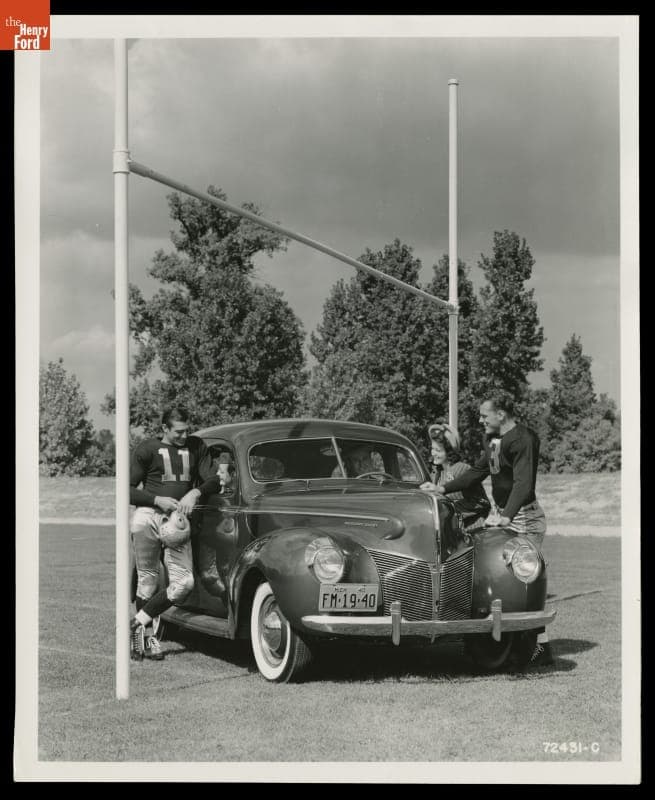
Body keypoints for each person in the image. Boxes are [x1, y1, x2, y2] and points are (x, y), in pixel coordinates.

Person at [431, 394, 553, 666]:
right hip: (505, 514)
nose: (480, 419)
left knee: (523, 582)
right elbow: (477, 471)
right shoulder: (492, 440)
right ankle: (497, 643)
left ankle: (540, 648)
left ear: (501, 414)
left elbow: (523, 483)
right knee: (496, 576)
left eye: (485, 415)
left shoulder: (524, 439)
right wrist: (442, 488)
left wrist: (506, 516)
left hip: (523, 516)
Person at [129, 406, 222, 661]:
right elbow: (126, 490)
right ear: (164, 429)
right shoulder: (147, 449)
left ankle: (137, 622)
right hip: (148, 517)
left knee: (184, 583)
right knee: (147, 580)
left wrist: (195, 492)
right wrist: (157, 499)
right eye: (178, 432)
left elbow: (214, 480)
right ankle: (145, 639)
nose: (184, 435)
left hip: (179, 522)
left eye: (186, 430)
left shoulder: (196, 446)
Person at [419, 421, 490, 535]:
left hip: (472, 531)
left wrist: (450, 510)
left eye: (438, 450)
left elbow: (482, 502)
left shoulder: (463, 469)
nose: (433, 453)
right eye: (433, 449)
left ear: (449, 451)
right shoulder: (436, 472)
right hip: (451, 534)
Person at [195, 451, 235, 599]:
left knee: (226, 567)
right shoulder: (207, 471)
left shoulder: (233, 483)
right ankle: (226, 597)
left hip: (227, 529)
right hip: (208, 527)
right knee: (209, 574)